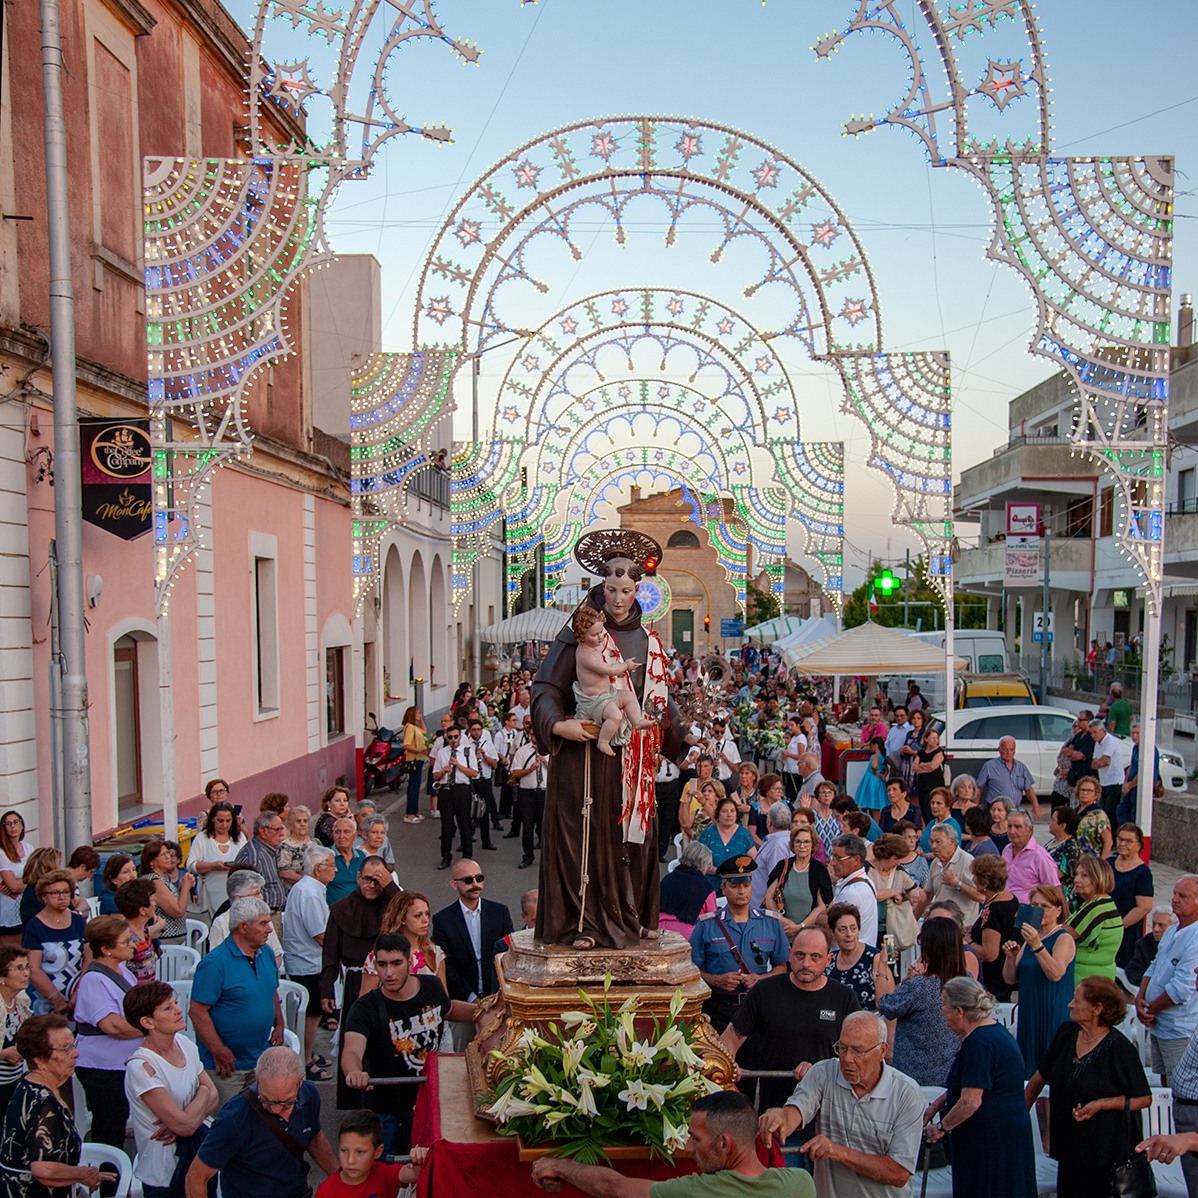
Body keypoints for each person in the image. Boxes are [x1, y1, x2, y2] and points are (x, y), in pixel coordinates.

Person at [532, 532, 692, 949]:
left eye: (626, 590)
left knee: (632, 842)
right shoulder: (580, 633)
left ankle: (632, 918)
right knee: (582, 837)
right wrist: (556, 724)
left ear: (639, 589)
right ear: (601, 587)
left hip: (632, 759)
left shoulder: (648, 640)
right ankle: (581, 924)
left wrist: (681, 733)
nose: (618, 599)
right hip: (584, 754)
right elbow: (546, 686)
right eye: (610, 589)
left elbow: (657, 699)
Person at [758, 1010, 923, 1198]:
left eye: (858, 1051)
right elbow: (794, 1112)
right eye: (842, 1048)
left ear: (882, 1051)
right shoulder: (824, 1072)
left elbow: (899, 1172)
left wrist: (838, 1152)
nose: (847, 1059)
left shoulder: (906, 1093)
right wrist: (778, 1116)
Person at [533, 1089, 815, 1197]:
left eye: (695, 1139)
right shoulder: (801, 1184)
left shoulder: (698, 1192)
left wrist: (559, 1166)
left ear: (725, 1144)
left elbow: (613, 1187)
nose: (688, 1147)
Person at [342, 932, 476, 1156]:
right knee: (390, 1172)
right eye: (382, 965)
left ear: (410, 962)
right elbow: (352, 1050)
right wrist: (355, 1072)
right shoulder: (364, 1008)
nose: (389, 973)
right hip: (387, 1110)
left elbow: (449, 1009)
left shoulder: (431, 986)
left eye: (396, 963)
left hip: (431, 1101)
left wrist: (484, 1010)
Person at [1024, 976, 1152, 1198]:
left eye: (1076, 1000)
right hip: (1070, 1149)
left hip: (1105, 1155)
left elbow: (1144, 1098)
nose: (1070, 1004)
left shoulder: (1119, 1049)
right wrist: (1019, 1114)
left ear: (1097, 1009)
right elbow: (1039, 1078)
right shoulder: (1067, 1033)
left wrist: (1101, 1105)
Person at [720, 926, 859, 1121]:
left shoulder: (844, 998)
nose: (806, 963)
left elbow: (859, 1054)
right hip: (772, 1111)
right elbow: (729, 1041)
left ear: (828, 960)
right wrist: (728, 1068)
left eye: (815, 957)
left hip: (828, 1112)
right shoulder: (764, 992)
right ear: (789, 954)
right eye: (800, 955)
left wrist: (821, 1070)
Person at [924, 977, 1036, 1198]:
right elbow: (972, 1082)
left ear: (959, 1011)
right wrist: (937, 1105)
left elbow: (970, 1100)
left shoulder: (980, 1043)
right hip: (997, 1136)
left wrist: (941, 1128)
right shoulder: (989, 1033)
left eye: (944, 1005)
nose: (942, 1011)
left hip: (992, 1143)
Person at [184, 1046, 336, 1198]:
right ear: (257, 1079)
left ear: (300, 1082)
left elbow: (315, 1138)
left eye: (286, 1103)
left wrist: (341, 1178)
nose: (276, 1110)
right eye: (267, 1100)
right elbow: (196, 1178)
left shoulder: (310, 1095)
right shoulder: (234, 1119)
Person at [0, 1015, 115, 1197]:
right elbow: (45, 1169)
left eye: (73, 1045)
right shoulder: (44, 1102)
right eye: (66, 1049)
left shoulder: (28, 1085)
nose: (75, 1053)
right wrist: (84, 1174)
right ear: (39, 1059)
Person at [124, 980, 219, 1198]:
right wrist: (202, 1094)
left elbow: (213, 1097)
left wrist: (186, 1117)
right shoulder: (141, 1067)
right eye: (168, 1008)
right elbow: (186, 1125)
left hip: (200, 1158)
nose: (178, 1010)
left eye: (175, 1003)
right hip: (164, 1171)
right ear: (147, 1021)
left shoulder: (185, 1044)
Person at [319, 857, 400, 1108]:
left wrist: (391, 888)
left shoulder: (392, 907)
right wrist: (326, 988)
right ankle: (355, 1100)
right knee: (356, 1041)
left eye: (378, 881)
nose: (372, 885)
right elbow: (330, 953)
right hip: (355, 983)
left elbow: (409, 909)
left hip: (388, 983)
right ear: (358, 878)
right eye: (367, 879)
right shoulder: (342, 908)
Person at [189, 896, 284, 1108]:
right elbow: (197, 1011)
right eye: (263, 923)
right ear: (243, 927)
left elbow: (271, 989)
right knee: (228, 1126)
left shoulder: (266, 953)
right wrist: (219, 1051)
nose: (269, 929)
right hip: (226, 1067)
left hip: (260, 1060)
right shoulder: (214, 964)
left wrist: (279, 1023)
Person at [690, 856, 788, 1033]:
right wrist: (716, 980)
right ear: (723, 888)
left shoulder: (770, 922)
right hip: (718, 1008)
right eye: (735, 886)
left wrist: (760, 980)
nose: (741, 891)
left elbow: (782, 967)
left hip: (757, 1005)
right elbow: (691, 971)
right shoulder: (707, 925)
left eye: (746, 885)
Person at [72, 915, 142, 1155]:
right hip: (101, 1067)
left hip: (119, 1064)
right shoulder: (94, 980)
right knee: (109, 1126)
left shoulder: (121, 970)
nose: (132, 945)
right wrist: (150, 1027)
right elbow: (113, 1026)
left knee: (118, 1119)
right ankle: (106, 1184)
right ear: (106, 950)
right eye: (125, 942)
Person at [875, 916, 966, 1088]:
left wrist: (881, 966)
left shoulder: (920, 986)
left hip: (913, 1081)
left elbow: (884, 1004)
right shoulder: (966, 981)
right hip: (952, 1075)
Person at [1002, 883, 1076, 1077]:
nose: (1039, 911)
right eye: (1035, 906)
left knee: (1052, 1072)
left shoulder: (1063, 938)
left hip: (1053, 1010)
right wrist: (1010, 958)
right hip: (1030, 1011)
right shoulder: (1029, 939)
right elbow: (1010, 979)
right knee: (1029, 1070)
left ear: (1058, 910)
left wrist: (1037, 945)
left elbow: (1056, 972)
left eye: (1045, 906)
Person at [1135, 874, 1198, 1083]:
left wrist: (1149, 1009)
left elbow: (1181, 989)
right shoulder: (1172, 931)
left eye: (1183, 896)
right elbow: (1154, 965)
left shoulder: (1195, 939)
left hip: (1180, 1029)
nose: (1175, 899)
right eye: (1174, 894)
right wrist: (1140, 997)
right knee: (1163, 1080)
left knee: (1178, 1087)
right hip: (1159, 1025)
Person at [282, 846, 336, 1081]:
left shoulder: (308, 887)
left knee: (313, 1014)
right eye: (331, 865)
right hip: (308, 962)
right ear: (318, 869)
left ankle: (308, 1051)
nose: (335, 869)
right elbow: (320, 934)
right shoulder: (311, 893)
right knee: (312, 1014)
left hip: (305, 959)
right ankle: (304, 1061)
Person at [431, 860, 513, 1015]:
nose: (475, 884)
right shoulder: (443, 920)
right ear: (454, 884)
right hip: (464, 1002)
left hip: (498, 1000)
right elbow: (446, 965)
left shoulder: (500, 912)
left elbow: (508, 955)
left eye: (479, 878)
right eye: (468, 880)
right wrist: (472, 999)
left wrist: (498, 997)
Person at [571, 607, 655, 755]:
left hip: (607, 694)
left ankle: (637, 721)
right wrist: (626, 666)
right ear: (581, 635)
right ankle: (603, 742)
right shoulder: (586, 655)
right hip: (595, 700)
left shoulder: (593, 646)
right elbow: (609, 670)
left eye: (601, 632)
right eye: (595, 634)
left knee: (628, 696)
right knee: (615, 716)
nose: (600, 637)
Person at [22, 869, 89, 1016]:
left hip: (78, 999)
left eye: (66, 892)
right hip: (46, 1001)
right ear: (43, 897)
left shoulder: (78, 921)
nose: (62, 897)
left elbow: (89, 959)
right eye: (55, 893)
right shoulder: (35, 926)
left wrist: (78, 992)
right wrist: (56, 1000)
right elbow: (33, 968)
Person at [316, 1109, 426, 1198]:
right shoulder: (326, 1191)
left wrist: (419, 1156)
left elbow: (415, 1173)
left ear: (378, 1152)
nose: (350, 1160)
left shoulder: (384, 1174)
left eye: (360, 1152)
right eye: (344, 1150)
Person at [362, 890, 448, 995]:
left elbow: (443, 997)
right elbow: (364, 1000)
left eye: (427, 914)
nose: (425, 920)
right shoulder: (378, 957)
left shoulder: (435, 952)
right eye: (418, 915)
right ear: (402, 918)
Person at [764, 822, 833, 940]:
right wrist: (782, 921)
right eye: (798, 842)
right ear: (792, 844)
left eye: (806, 842)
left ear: (813, 845)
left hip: (809, 935)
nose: (802, 846)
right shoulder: (783, 865)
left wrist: (801, 927)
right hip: (781, 932)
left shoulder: (819, 870)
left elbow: (822, 906)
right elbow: (768, 897)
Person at [967, 854, 1019, 1002]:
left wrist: (967, 940)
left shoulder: (994, 910)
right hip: (1005, 977)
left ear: (984, 883)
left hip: (994, 982)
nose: (973, 880)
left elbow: (989, 954)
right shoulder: (1010, 898)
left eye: (975, 876)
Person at [1065, 854, 1123, 982]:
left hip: (1086, 978)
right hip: (1099, 975)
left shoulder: (1096, 908)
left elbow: (1063, 935)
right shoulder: (1104, 902)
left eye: (1084, 876)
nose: (1076, 879)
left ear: (1098, 878)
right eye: (1077, 874)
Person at [207, 869, 283, 967]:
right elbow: (215, 962)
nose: (261, 898)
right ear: (238, 899)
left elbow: (277, 955)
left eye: (261, 892)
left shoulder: (264, 919)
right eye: (256, 893)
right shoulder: (221, 923)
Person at [432, 724, 481, 869]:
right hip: (446, 790)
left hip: (462, 789)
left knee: (464, 823)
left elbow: (474, 773)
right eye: (450, 737)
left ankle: (467, 856)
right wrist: (443, 771)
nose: (453, 740)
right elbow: (435, 775)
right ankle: (446, 857)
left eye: (455, 737)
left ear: (460, 737)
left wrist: (457, 765)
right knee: (446, 825)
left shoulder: (468, 752)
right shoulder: (442, 753)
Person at [918, 819, 982, 928]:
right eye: (931, 842)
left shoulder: (967, 861)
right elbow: (928, 895)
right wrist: (914, 918)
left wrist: (957, 884)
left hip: (961, 927)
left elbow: (980, 896)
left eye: (938, 842)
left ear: (952, 842)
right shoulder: (935, 863)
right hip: (938, 925)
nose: (933, 846)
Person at [189, 799, 248, 917]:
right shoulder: (202, 838)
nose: (224, 825)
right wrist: (212, 866)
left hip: (235, 892)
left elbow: (247, 861)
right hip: (210, 893)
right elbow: (191, 865)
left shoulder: (240, 837)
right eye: (220, 821)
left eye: (228, 821)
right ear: (212, 819)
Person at [825, 903, 887, 1011]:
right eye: (842, 930)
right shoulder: (829, 960)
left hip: (867, 1024)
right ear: (832, 933)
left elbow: (885, 1005)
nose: (849, 934)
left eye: (853, 928)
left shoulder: (874, 958)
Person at [1109, 822, 1154, 968]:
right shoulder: (1108, 863)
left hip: (1126, 930)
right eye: (1120, 839)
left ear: (1139, 845)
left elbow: (1144, 907)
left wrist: (1118, 927)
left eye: (1128, 841)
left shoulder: (1142, 873)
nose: (1122, 843)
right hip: (1104, 924)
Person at [658, 841, 716, 942]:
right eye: (708, 865)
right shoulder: (706, 888)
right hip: (687, 937)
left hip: (661, 931)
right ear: (703, 864)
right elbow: (712, 919)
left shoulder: (667, 879)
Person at [141, 838, 196, 945]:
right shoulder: (154, 881)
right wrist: (185, 888)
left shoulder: (163, 878)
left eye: (168, 853)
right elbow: (177, 911)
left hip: (175, 939)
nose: (168, 857)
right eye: (163, 855)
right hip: (166, 941)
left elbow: (176, 902)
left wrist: (183, 887)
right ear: (151, 861)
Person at [507, 728, 548, 871]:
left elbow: (558, 772)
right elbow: (515, 772)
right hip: (527, 792)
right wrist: (529, 770)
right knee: (528, 825)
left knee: (544, 826)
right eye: (532, 734)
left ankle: (546, 857)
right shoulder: (522, 751)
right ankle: (528, 856)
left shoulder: (550, 750)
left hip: (544, 792)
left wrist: (546, 762)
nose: (535, 737)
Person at [828, 834, 878, 949]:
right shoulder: (867, 882)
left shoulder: (851, 893)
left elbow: (830, 924)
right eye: (832, 857)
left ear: (856, 860)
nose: (833, 863)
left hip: (849, 959)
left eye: (838, 858)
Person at [233, 814, 287, 919]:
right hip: (262, 916)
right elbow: (246, 894)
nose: (282, 833)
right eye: (277, 829)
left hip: (275, 913)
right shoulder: (253, 856)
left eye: (282, 828)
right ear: (263, 832)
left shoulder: (270, 850)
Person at [975, 736, 1041, 820]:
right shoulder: (990, 766)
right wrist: (975, 807)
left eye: (1012, 750)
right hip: (996, 811)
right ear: (999, 749)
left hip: (1014, 810)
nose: (1008, 753)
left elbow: (1028, 789)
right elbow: (979, 787)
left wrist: (1036, 805)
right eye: (1005, 750)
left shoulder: (1021, 767)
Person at [1000, 810, 1058, 903]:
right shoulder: (1007, 850)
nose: (1012, 831)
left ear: (1029, 829)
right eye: (1009, 826)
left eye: (1017, 827)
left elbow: (1053, 890)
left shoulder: (1040, 856)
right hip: (1005, 909)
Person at [0, 948, 31, 1114]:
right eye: (19, 968)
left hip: (14, 1081)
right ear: (2, 977)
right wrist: (3, 1054)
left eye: (27, 967)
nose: (26, 974)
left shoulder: (22, 1001)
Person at [699, 796, 756, 883]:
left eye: (732, 811)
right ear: (718, 815)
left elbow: (755, 859)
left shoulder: (744, 834)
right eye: (724, 811)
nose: (729, 815)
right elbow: (700, 862)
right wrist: (718, 871)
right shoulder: (708, 834)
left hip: (738, 884)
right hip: (711, 884)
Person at [0, 813, 31, 947]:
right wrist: (30, 881)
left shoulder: (29, 848)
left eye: (16, 822)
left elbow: (39, 876)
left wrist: (23, 882)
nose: (13, 826)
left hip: (27, 903)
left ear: (22, 825)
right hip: (9, 907)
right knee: (11, 950)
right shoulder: (2, 852)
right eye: (8, 824)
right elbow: (12, 886)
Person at [1125, 908, 1175, 988]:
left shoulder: (1181, 944)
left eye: (1161, 925)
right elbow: (1133, 971)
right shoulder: (1145, 943)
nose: (1156, 929)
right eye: (1154, 924)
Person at [1089, 719, 1125, 827]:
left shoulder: (1110, 741)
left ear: (1102, 730)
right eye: (1091, 733)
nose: (1093, 735)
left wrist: (1101, 762)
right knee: (1102, 810)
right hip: (1104, 781)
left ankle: (1112, 837)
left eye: (1095, 732)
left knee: (1110, 811)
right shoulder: (1097, 744)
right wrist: (1101, 762)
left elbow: (1103, 761)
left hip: (1114, 781)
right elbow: (1093, 764)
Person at [1046, 805, 1082, 908]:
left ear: (1062, 826)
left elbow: (1055, 875)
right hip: (1047, 892)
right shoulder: (1053, 842)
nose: (1049, 822)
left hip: (1059, 899)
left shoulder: (1070, 848)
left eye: (1053, 820)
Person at [327, 819, 367, 905]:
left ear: (355, 836)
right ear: (333, 835)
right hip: (334, 910)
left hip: (357, 908)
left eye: (346, 832)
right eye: (337, 832)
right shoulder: (326, 856)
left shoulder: (361, 856)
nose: (341, 836)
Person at [401, 706, 430, 824]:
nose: (420, 714)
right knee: (414, 787)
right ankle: (410, 813)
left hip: (419, 759)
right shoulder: (410, 728)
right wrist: (420, 751)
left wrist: (421, 720)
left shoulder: (415, 727)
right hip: (414, 759)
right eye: (418, 713)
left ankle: (414, 811)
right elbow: (406, 745)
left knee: (416, 787)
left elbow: (424, 731)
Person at [276, 805, 313, 891]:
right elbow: (285, 872)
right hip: (295, 891)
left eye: (305, 821)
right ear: (291, 825)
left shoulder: (316, 843)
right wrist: (309, 882)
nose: (302, 824)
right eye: (298, 821)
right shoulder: (285, 846)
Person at [855, 736, 888, 814]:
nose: (870, 747)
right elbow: (886, 769)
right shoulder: (883, 756)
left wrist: (875, 772)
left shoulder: (875, 756)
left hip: (872, 779)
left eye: (871, 745)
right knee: (877, 801)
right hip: (878, 780)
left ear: (875, 745)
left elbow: (874, 766)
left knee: (872, 800)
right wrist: (883, 775)